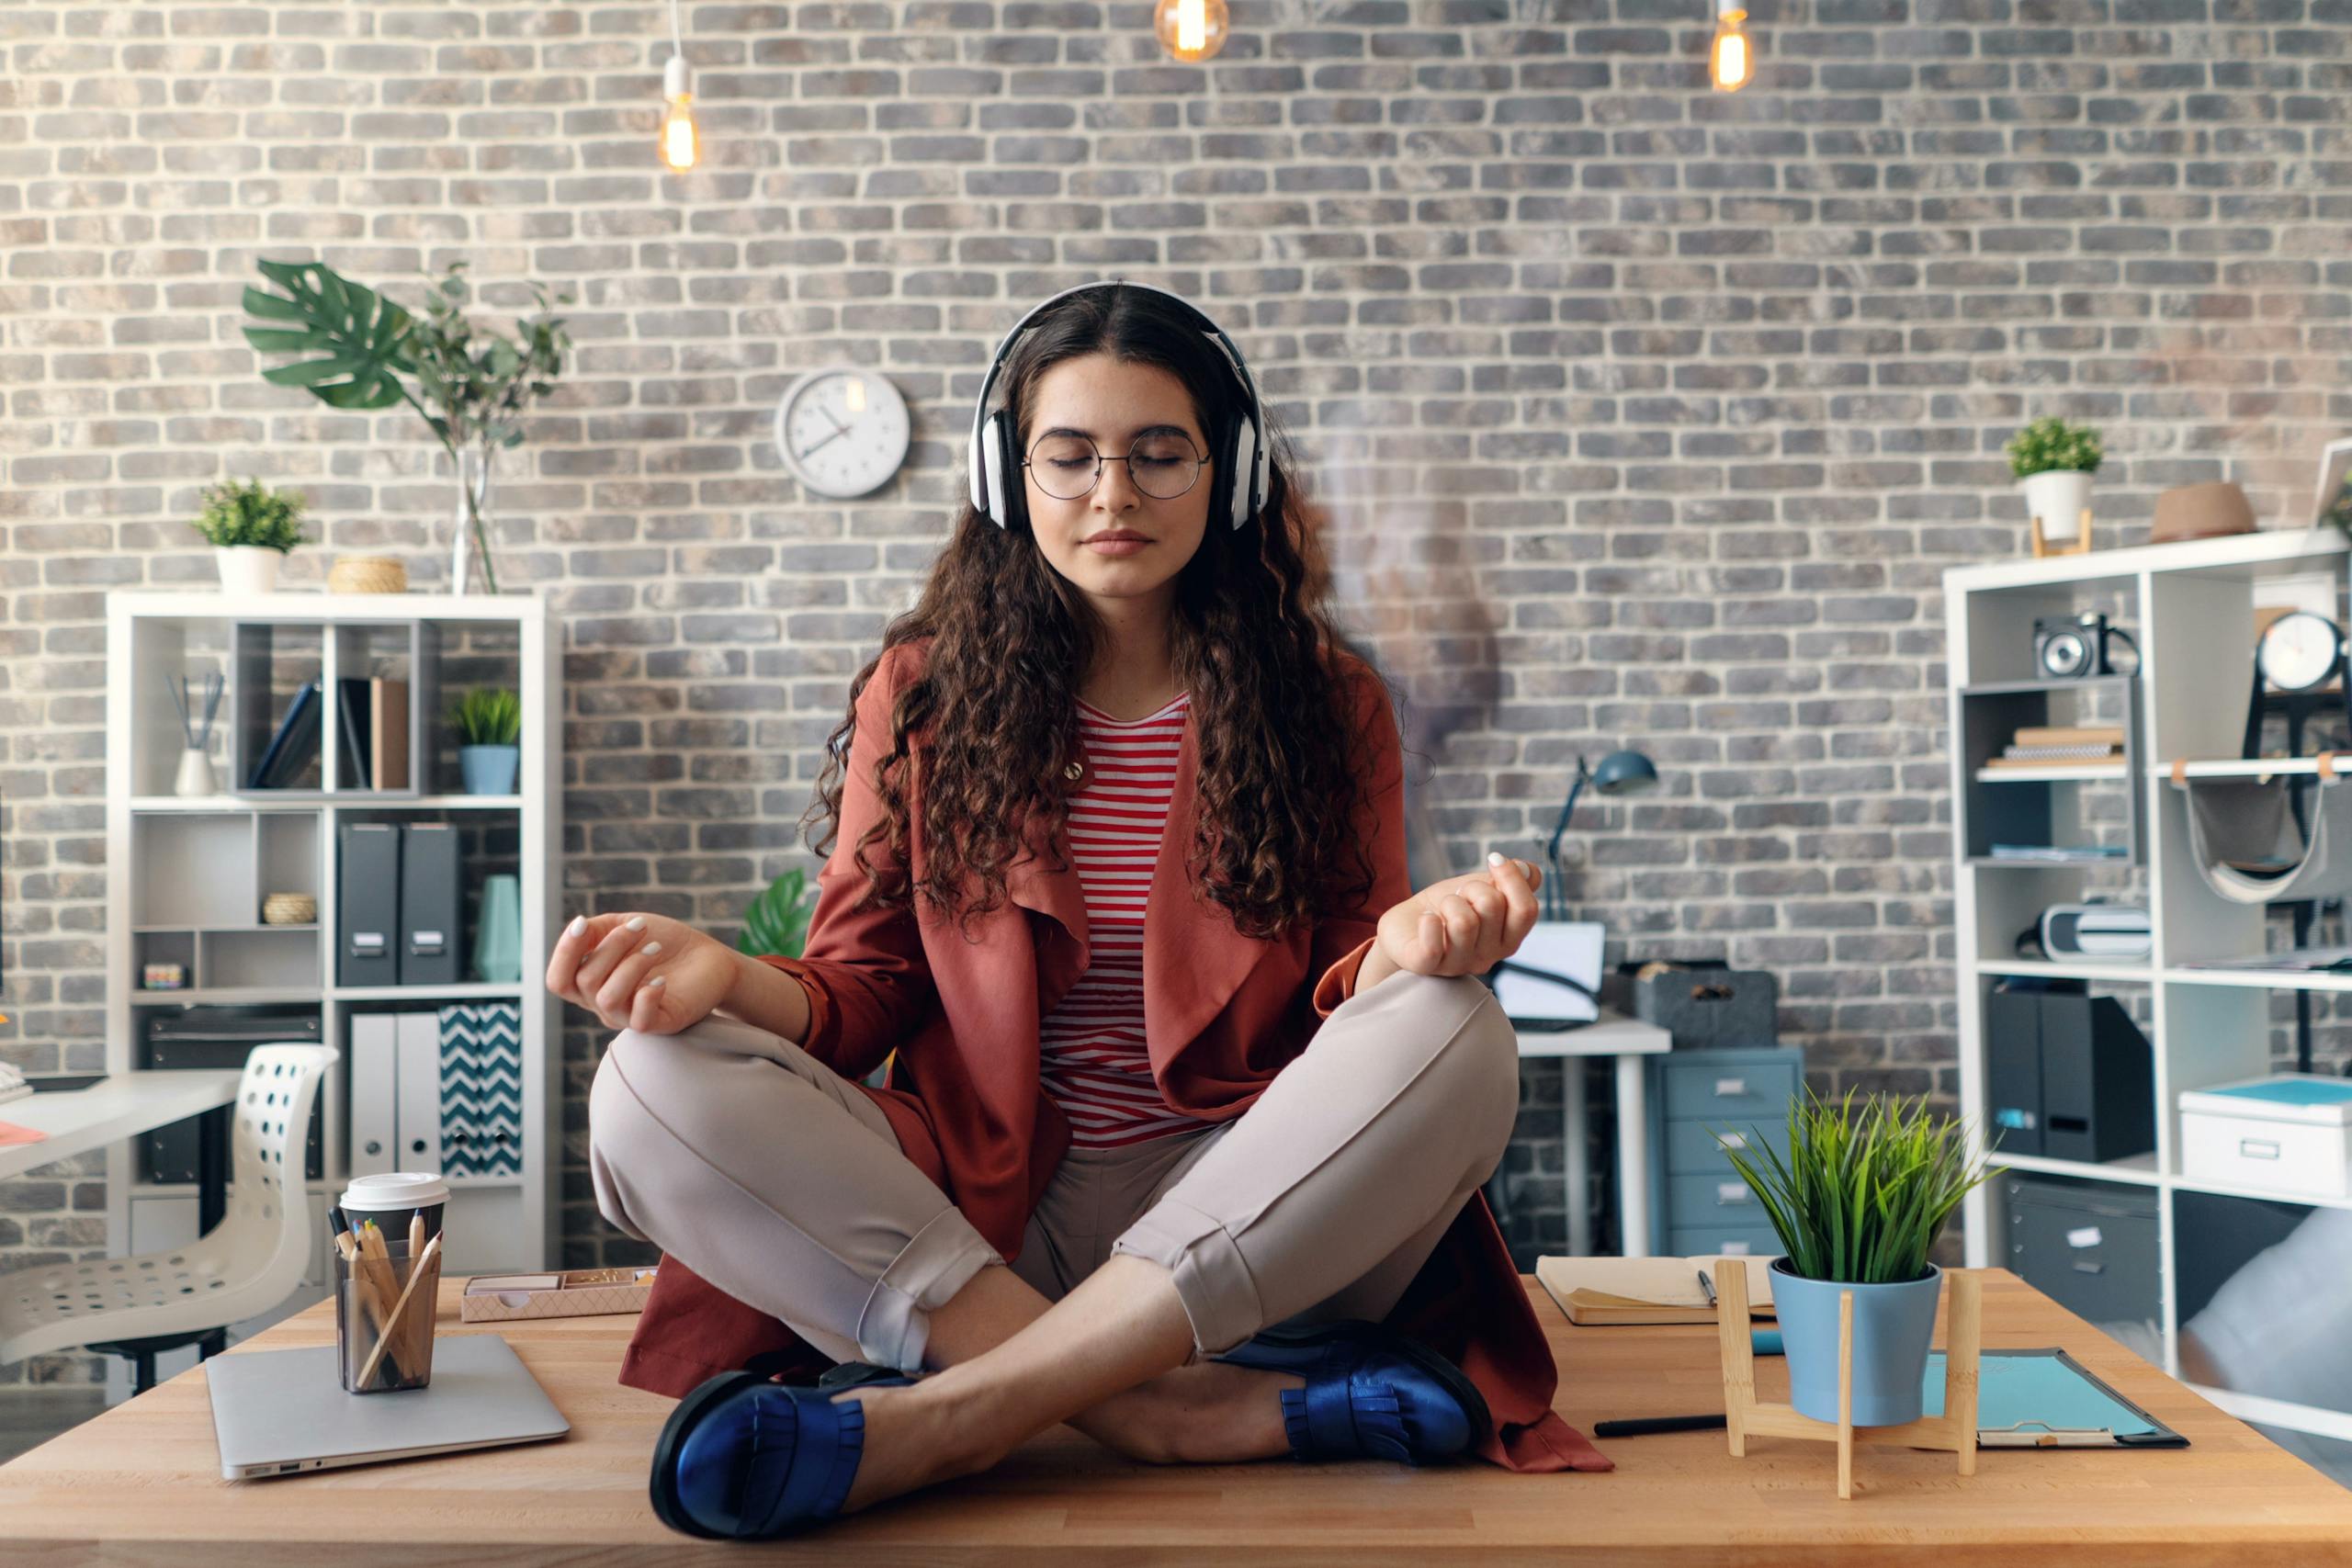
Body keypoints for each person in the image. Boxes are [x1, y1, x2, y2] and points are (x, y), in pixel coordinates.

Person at [556, 281, 1606, 1540]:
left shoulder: (1331, 705)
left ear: (1231, 473)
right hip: (973, 1229)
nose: (1115, 495)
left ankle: (957, 1415)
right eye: (1073, 457)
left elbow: (1348, 997)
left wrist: (1411, 949)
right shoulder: (926, 693)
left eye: (1161, 455)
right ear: (1013, 480)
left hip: (1245, 1215)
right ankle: (1166, 1412)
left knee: (1455, 1028)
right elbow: (862, 990)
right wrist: (724, 980)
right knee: (646, 1086)